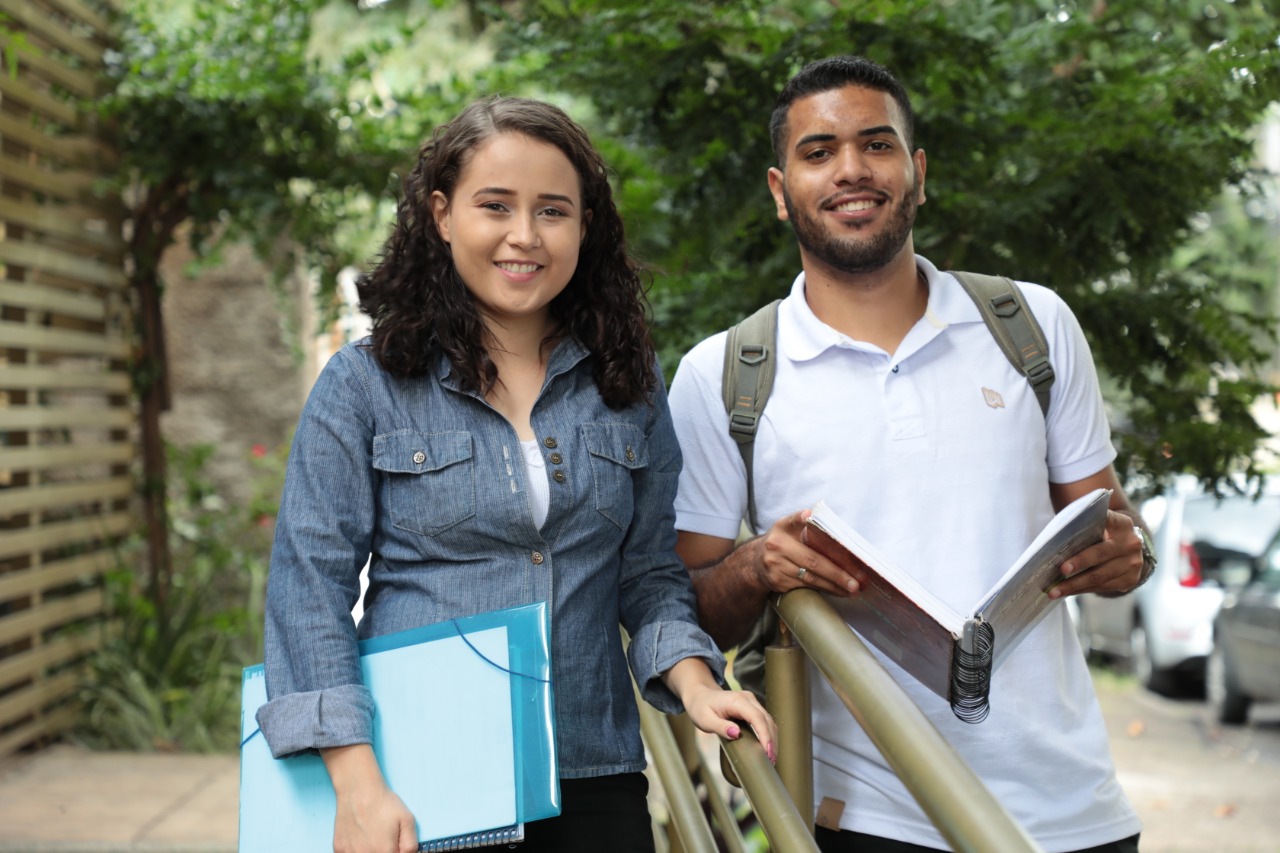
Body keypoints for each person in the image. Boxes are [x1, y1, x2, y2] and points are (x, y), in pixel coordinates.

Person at [257, 95, 776, 853]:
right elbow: (309, 588)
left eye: (553, 211)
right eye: (494, 206)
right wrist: (357, 782)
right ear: (442, 214)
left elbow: (648, 574)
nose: (524, 236)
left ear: (585, 226)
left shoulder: (625, 383)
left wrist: (699, 683)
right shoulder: (363, 384)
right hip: (419, 776)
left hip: (593, 772)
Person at [668, 56, 1148, 853]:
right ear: (780, 190)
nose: (852, 169)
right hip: (868, 816)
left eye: (877, 144)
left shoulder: (1035, 325)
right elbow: (687, 600)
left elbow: (1109, 527)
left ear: (917, 172)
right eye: (818, 152)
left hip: (1072, 811)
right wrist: (758, 567)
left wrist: (1127, 553)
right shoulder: (723, 374)